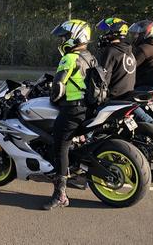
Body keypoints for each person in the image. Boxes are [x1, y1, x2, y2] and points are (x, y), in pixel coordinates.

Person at [43, 19, 94, 210]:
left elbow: (57, 87)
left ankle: (60, 194)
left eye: (65, 36)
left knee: (59, 145)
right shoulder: (90, 56)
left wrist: (53, 99)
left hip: (73, 109)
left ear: (75, 37)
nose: (63, 40)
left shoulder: (69, 58)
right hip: (87, 109)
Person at [96, 17, 136, 100]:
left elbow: (104, 79)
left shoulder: (111, 51)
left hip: (114, 98)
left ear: (114, 32)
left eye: (107, 31)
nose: (104, 35)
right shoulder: (129, 51)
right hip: (128, 96)